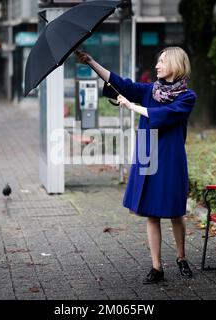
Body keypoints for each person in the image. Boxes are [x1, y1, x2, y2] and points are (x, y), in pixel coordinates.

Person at [75, 47, 196, 284]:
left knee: (175, 212)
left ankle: (181, 258)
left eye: (162, 61)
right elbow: (121, 83)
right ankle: (156, 267)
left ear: (176, 64)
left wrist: (132, 106)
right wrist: (91, 62)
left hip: (171, 158)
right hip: (147, 154)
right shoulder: (151, 90)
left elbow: (164, 115)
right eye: (158, 61)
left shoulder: (187, 96)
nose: (157, 65)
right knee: (151, 213)